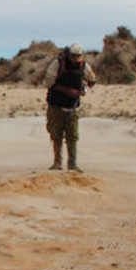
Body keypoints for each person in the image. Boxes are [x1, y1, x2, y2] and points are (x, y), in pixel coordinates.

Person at [42, 42, 96, 173]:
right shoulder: (58, 64)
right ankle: (57, 162)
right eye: (73, 56)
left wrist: (85, 89)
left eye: (78, 56)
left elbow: (92, 80)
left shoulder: (84, 66)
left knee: (72, 136)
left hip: (73, 107)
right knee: (56, 134)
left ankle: (72, 164)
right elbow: (49, 82)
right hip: (56, 105)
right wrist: (67, 91)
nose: (76, 59)